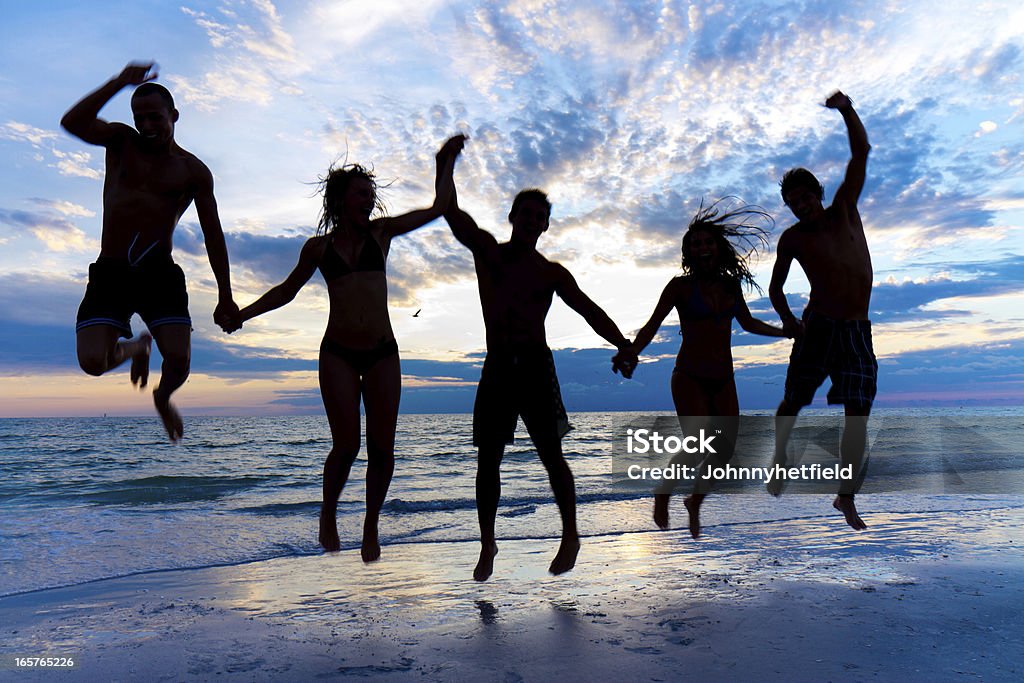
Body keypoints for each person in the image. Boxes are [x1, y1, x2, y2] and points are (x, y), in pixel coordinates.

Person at [222, 135, 464, 561]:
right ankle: (328, 513)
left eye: (371, 195)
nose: (368, 201)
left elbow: (438, 208)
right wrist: (243, 314)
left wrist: (444, 164)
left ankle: (371, 524)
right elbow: (286, 291)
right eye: (360, 194)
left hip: (383, 351)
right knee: (347, 444)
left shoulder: (382, 233)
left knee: (382, 448)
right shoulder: (318, 248)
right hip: (337, 351)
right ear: (339, 199)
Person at [444, 172, 635, 581]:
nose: (532, 221)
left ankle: (571, 535)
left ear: (546, 225)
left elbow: (590, 310)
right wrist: (446, 166)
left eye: (539, 216)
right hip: (497, 365)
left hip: (534, 365)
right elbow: (454, 215)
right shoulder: (489, 254)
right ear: (512, 216)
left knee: (552, 456)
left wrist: (624, 344)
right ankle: (488, 542)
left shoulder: (551, 273)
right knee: (487, 460)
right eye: (526, 214)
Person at [61, 62, 238, 442]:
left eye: (155, 116)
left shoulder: (193, 171)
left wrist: (226, 295)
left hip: (159, 272)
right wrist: (119, 81)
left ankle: (163, 395)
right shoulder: (121, 142)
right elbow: (72, 123)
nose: (147, 125)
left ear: (174, 116)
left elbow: (213, 234)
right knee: (93, 362)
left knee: (179, 359)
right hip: (112, 270)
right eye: (139, 117)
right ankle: (136, 347)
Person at [613, 201, 787, 538]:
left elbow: (748, 323)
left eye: (707, 242)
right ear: (688, 252)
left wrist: (784, 331)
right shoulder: (679, 287)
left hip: (724, 378)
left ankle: (694, 501)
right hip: (689, 375)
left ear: (717, 247)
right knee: (696, 442)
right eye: (695, 244)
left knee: (724, 451)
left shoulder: (731, 285)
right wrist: (632, 352)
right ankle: (664, 491)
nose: (702, 247)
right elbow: (651, 326)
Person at [767, 91, 874, 530]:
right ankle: (780, 456)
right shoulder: (792, 239)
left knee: (858, 415)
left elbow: (861, 151)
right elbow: (775, 288)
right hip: (820, 327)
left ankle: (845, 497)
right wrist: (791, 322)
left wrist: (846, 109)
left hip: (856, 331)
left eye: (805, 197)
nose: (800, 205)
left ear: (818, 194)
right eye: (793, 202)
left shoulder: (845, 209)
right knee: (794, 400)